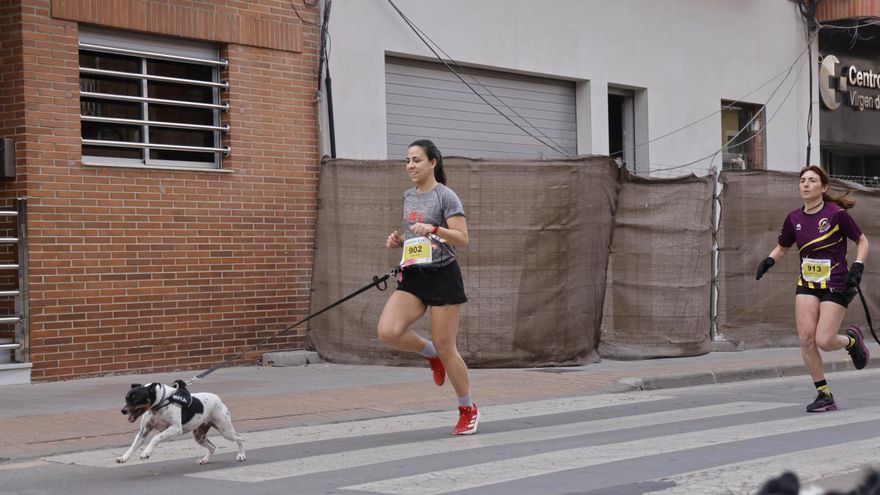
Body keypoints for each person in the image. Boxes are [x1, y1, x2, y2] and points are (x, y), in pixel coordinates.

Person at [377, 139, 479, 435]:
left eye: (417, 160)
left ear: (433, 162)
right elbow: (416, 238)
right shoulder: (408, 196)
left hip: (443, 275)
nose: (410, 165)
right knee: (388, 332)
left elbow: (462, 239)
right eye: (407, 160)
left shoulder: (446, 196)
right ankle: (430, 354)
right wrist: (399, 241)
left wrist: (435, 228)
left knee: (450, 348)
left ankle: (467, 408)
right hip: (414, 273)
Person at [756, 165, 870, 413]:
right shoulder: (793, 218)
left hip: (836, 283)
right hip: (807, 284)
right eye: (802, 181)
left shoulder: (836, 214)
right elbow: (783, 247)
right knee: (807, 340)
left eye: (811, 180)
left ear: (824, 187)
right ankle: (824, 395)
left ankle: (851, 340)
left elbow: (861, 240)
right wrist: (769, 260)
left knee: (825, 340)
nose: (805, 184)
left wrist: (858, 266)